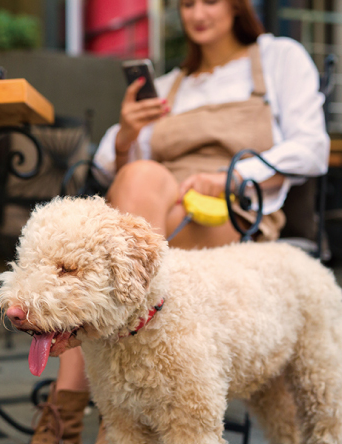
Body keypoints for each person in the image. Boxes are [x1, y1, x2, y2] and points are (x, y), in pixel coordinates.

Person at [30, 0, 329, 443]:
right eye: (187, 3)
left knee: (133, 205)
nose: (196, 13)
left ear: (236, 7)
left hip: (229, 210)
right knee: (140, 179)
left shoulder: (277, 57)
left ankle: (73, 413)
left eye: (209, 1)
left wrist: (235, 174)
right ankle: (102, 410)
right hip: (158, 210)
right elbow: (107, 172)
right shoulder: (170, 84)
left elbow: (312, 147)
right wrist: (127, 135)